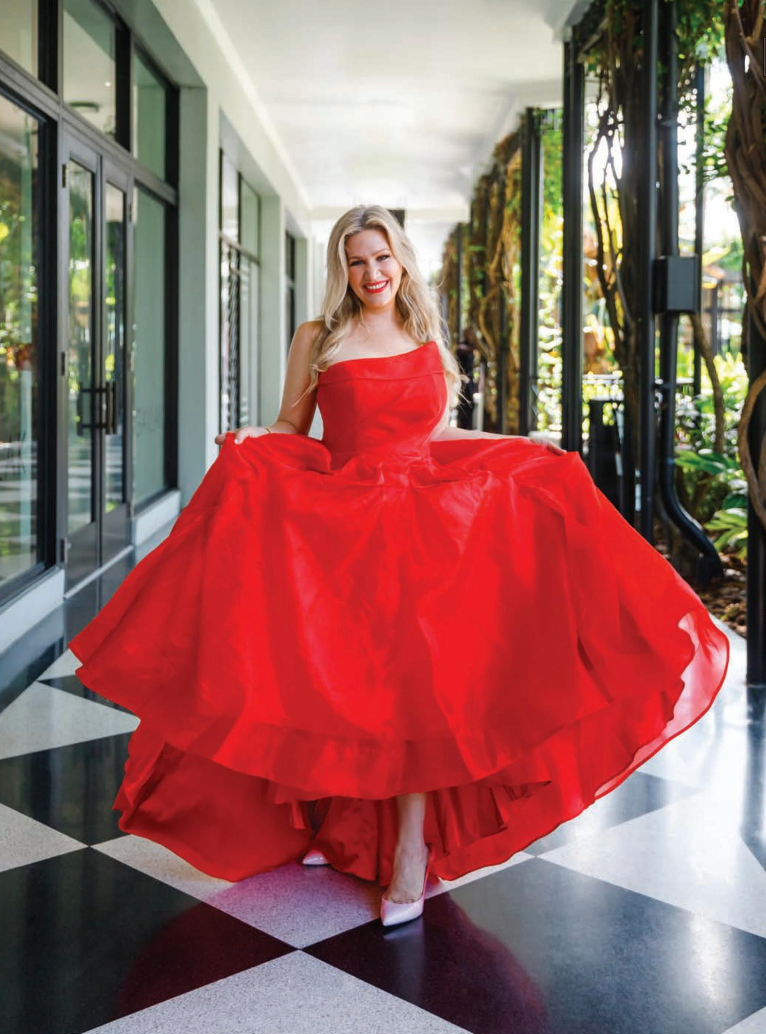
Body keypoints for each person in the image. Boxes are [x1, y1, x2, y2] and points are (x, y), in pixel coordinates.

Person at [69, 205, 729, 929]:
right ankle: (335, 829)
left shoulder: (423, 334)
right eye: (356, 261)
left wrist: (517, 448)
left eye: (381, 258)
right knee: (346, 686)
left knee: (417, 692)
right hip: (343, 529)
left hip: (424, 534)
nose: (372, 273)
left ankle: (410, 856)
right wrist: (261, 437)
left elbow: (435, 431)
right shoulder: (318, 337)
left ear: (402, 259)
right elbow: (295, 426)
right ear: (341, 269)